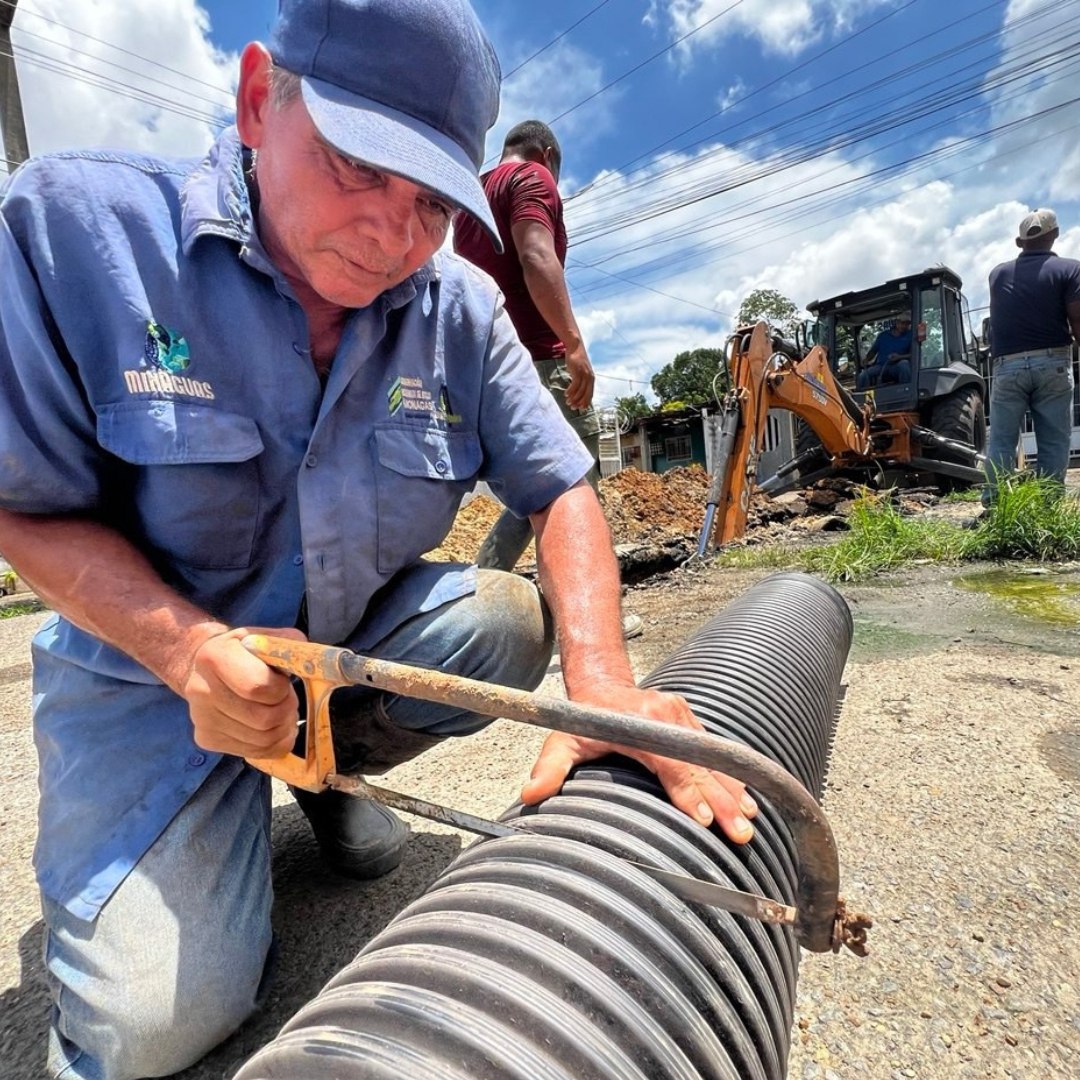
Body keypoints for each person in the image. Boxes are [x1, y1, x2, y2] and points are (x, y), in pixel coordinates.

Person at [0, 1, 757, 1076]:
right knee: (143, 1033)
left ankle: (324, 774)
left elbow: (564, 489)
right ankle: (203, 819)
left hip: (340, 647)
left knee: (507, 622)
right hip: (145, 678)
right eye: (358, 167)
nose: (392, 234)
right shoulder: (79, 234)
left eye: (432, 205)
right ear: (261, 99)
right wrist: (186, 654)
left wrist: (602, 683)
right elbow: (24, 506)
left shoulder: (457, 309)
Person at [452, 120, 644, 639]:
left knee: (536, 490)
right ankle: (592, 621)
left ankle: (475, 596)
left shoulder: (473, 196)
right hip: (537, 358)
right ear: (547, 153)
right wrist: (574, 344)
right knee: (575, 484)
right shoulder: (532, 179)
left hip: (483, 359)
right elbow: (537, 254)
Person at [984, 207, 1080, 501]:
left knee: (1001, 440)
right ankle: (1048, 504)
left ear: (1019, 242)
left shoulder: (997, 274)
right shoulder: (1070, 269)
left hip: (1006, 366)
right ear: (1056, 235)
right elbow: (1077, 321)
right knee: (1053, 438)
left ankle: (995, 504)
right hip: (1052, 363)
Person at [856, 316, 913, 389]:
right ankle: (861, 395)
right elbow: (873, 351)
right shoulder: (883, 335)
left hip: (896, 367)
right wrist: (867, 359)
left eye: (907, 324)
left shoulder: (910, 335)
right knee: (863, 375)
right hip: (881, 366)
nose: (905, 326)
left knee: (904, 364)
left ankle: (907, 390)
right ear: (896, 322)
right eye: (902, 323)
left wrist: (899, 357)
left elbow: (914, 354)